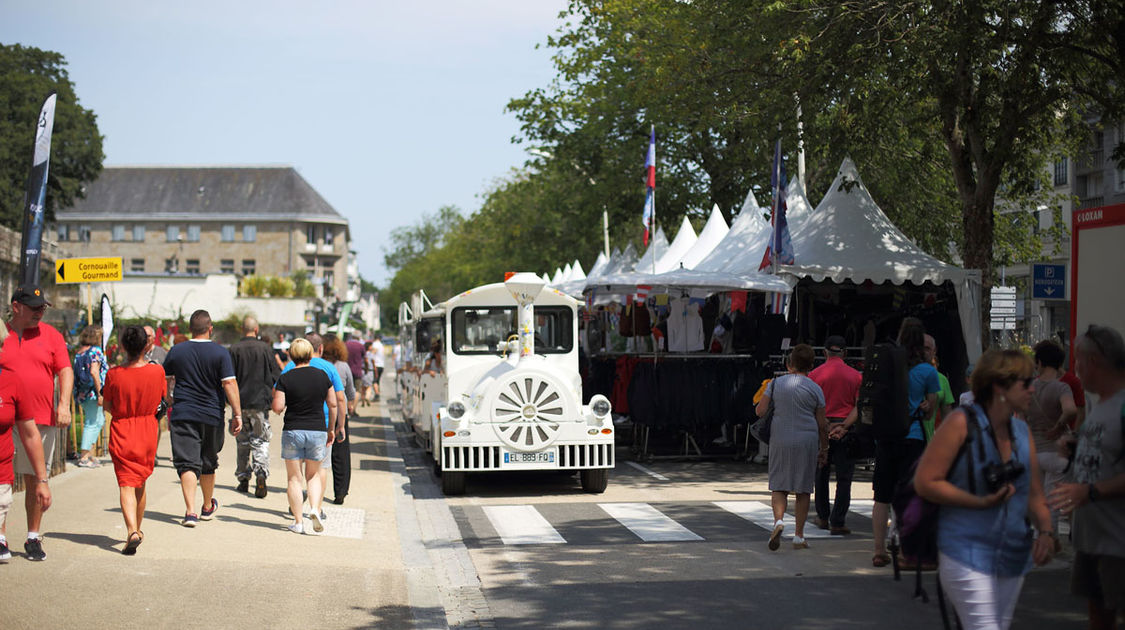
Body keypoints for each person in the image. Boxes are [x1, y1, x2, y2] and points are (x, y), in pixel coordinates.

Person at [915, 348, 1056, 630]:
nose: (1033, 388)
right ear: (999, 385)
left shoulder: (1020, 430)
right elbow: (925, 481)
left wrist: (1047, 532)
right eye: (1026, 382)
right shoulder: (960, 423)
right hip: (965, 549)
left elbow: (1035, 494)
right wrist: (978, 502)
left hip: (1013, 553)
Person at [1048, 324, 1125, 630]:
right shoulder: (1100, 405)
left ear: (1094, 362)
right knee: (1098, 616)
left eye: (1078, 361)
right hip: (1091, 538)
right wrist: (1076, 447)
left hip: (1117, 542)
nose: (1075, 368)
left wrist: (1090, 492)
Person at [1, 285, 72, 561]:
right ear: (16, 306)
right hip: (6, 419)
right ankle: (1, 536)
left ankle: (33, 536)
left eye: (43, 308)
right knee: (2, 479)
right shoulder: (2, 336)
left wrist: (64, 404)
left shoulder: (52, 336)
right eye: (34, 308)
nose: (39, 313)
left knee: (35, 479)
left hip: (40, 419)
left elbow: (65, 370)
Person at [162, 310, 242, 527]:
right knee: (208, 460)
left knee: (187, 463)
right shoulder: (220, 353)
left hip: (183, 413)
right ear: (210, 328)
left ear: (190, 329)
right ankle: (207, 506)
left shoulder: (177, 351)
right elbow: (229, 384)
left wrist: (168, 397)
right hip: (211, 414)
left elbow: (165, 377)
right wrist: (237, 414)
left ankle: (190, 512)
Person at [871, 317, 938, 568]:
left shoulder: (887, 365)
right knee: (910, 496)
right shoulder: (928, 371)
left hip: (887, 437)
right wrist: (922, 405)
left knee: (882, 496)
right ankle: (905, 552)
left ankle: (879, 550)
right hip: (913, 437)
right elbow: (930, 412)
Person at [754, 344, 828, 551]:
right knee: (803, 488)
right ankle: (799, 536)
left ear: (789, 363)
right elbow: (822, 424)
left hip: (781, 438)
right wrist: (825, 448)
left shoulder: (775, 384)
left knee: (779, 486)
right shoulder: (815, 388)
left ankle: (778, 521)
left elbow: (760, 411)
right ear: (811, 366)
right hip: (807, 440)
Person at [101, 325, 166, 555]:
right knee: (140, 481)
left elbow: (107, 404)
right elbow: (162, 397)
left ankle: (131, 531)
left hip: (123, 429)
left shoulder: (114, 374)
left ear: (123, 346)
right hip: (148, 430)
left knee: (126, 482)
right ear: (146, 345)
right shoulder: (157, 371)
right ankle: (137, 528)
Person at [0, 321, 53, 563]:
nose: (2, 352)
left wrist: (42, 481)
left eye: (2, 345)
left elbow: (30, 434)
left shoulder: (11, 381)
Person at [272, 338, 337, 534]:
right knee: (314, 475)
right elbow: (333, 404)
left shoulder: (286, 377)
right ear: (311, 354)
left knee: (294, 478)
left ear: (291, 355)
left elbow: (277, 407)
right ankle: (315, 509)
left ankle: (298, 521)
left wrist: (282, 404)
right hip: (317, 430)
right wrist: (331, 428)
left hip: (293, 430)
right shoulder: (322, 375)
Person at [809, 335, 861, 535]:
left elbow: (812, 407)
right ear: (845, 353)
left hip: (823, 427)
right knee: (844, 476)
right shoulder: (856, 376)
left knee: (821, 473)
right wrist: (845, 426)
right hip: (846, 428)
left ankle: (822, 517)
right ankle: (838, 521)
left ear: (824, 353)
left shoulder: (814, 375)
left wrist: (825, 424)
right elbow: (859, 407)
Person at [1026, 339, 1078, 537]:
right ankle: (1050, 539)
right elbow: (1071, 410)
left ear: (1039, 362)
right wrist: (1058, 427)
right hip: (1057, 452)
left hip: (1035, 451)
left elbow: (1019, 419)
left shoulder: (1029, 388)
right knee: (1053, 500)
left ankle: (1040, 537)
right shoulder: (1061, 388)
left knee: (1038, 499)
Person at [229, 316, 281, 498]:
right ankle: (261, 473)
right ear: (256, 329)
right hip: (260, 403)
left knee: (242, 442)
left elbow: (228, 378)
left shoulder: (234, 349)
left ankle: (243, 479)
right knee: (261, 440)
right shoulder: (266, 349)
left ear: (242, 329)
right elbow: (277, 375)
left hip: (239, 403)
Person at [322, 337, 356, 504]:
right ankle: (340, 492)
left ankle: (314, 489)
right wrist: (351, 405)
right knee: (341, 455)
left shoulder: (318, 364)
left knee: (317, 456)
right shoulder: (343, 366)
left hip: (319, 413)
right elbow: (350, 392)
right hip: (339, 415)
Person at [73, 325, 108, 468]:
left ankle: (88, 454)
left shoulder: (80, 352)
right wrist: (101, 392)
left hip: (83, 392)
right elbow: (94, 371)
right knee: (92, 422)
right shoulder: (95, 351)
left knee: (98, 420)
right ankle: (84, 456)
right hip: (94, 392)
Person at [923, 334, 955, 439]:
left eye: (927, 348)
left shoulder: (942, 380)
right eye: (921, 348)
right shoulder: (905, 374)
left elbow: (947, 418)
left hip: (929, 444)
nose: (923, 352)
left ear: (934, 351)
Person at [370, 336, 385, 401]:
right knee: (377, 380)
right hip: (381, 365)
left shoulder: (375, 344)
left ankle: (377, 395)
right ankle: (377, 393)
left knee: (374, 381)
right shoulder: (381, 345)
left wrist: (370, 354)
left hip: (376, 365)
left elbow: (372, 353)